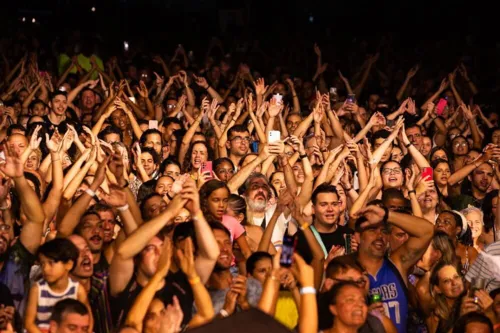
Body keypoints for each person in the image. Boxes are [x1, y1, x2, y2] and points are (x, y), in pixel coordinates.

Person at [349, 204, 434, 332]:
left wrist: (387, 214)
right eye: (372, 230)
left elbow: (427, 231)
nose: (379, 236)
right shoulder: (347, 272)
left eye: (384, 231)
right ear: (357, 237)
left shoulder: (398, 264)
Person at [24, 238, 91, 333]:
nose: (46, 269)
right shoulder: (37, 289)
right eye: (43, 264)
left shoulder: (78, 290)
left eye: (51, 263)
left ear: (69, 264)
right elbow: (29, 323)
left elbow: (88, 319)